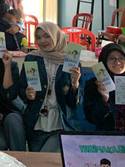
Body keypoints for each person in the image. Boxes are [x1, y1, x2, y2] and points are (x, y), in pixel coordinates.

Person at [19, 22, 82, 152]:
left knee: (46, 160)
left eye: (47, 36)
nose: (42, 41)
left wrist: (75, 85)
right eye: (38, 37)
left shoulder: (71, 61)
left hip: (61, 123)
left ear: (56, 36)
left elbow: (74, 104)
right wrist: (26, 93)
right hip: (37, 121)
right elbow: (21, 89)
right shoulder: (32, 58)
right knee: (37, 162)